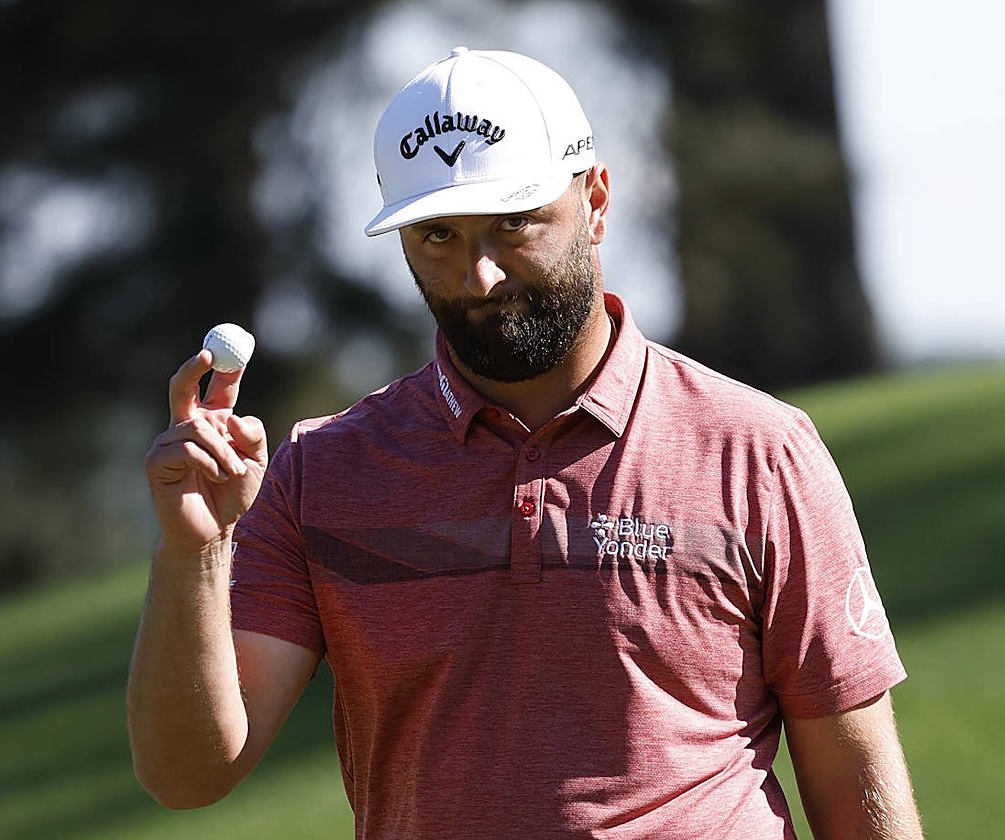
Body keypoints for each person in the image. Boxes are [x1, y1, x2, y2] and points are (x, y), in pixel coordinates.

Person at [128, 47, 923, 839]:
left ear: (597, 200)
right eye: (437, 234)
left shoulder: (758, 451)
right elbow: (187, 773)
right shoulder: (324, 470)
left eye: (513, 223)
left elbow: (855, 779)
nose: (479, 275)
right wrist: (194, 552)